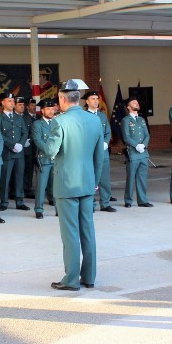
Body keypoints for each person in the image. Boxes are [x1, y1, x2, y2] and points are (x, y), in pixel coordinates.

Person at [45, 79, 104, 291]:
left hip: (66, 184)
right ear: (78, 98)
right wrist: (95, 182)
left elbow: (51, 151)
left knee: (70, 233)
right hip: (87, 183)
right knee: (87, 230)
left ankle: (71, 279)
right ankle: (88, 277)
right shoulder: (95, 120)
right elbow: (99, 157)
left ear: (62, 98)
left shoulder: (59, 121)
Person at [82, 91, 116, 212]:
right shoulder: (83, 116)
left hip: (103, 152)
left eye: (97, 99)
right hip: (90, 153)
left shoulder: (102, 115)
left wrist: (106, 143)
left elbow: (108, 132)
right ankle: (90, 204)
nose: (96, 101)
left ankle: (105, 203)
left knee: (104, 178)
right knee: (90, 178)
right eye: (93, 99)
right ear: (87, 101)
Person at [0, 93, 30, 211]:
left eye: (12, 101)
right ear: (3, 103)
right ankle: (4, 201)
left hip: (19, 153)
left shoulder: (19, 117)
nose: (12, 103)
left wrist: (20, 144)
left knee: (19, 177)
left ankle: (19, 201)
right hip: (7, 152)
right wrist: (12, 145)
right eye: (9, 101)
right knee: (5, 178)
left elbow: (25, 132)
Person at [121, 97, 153, 208]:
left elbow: (147, 134)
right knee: (131, 178)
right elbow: (126, 137)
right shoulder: (126, 120)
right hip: (133, 153)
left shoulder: (141, 119)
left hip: (143, 153)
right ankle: (128, 200)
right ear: (129, 107)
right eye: (134, 102)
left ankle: (142, 200)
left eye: (137, 102)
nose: (137, 103)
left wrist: (143, 145)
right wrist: (136, 145)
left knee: (142, 178)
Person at [31, 99, 56, 219]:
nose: (51, 111)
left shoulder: (57, 122)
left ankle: (58, 209)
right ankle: (39, 209)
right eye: (48, 109)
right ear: (42, 110)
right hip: (44, 159)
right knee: (41, 186)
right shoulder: (37, 124)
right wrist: (50, 151)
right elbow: (38, 141)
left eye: (52, 109)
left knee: (57, 186)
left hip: (56, 159)